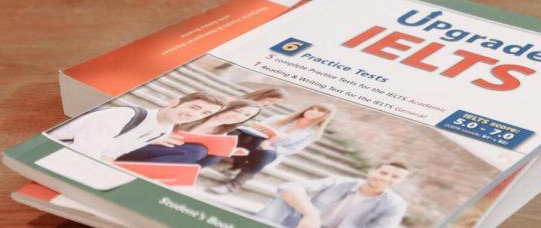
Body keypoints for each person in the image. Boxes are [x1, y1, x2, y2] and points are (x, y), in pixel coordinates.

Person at [49, 92, 226, 163]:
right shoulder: (124, 115)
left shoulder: (165, 130)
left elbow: (112, 154)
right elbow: (84, 151)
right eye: (194, 107)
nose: (194, 115)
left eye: (203, 114)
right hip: (54, 153)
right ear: (174, 102)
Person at [208, 103, 336, 194]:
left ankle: (232, 185)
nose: (313, 112)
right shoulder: (281, 118)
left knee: (265, 153)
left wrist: (273, 146)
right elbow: (255, 128)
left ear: (324, 116)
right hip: (253, 143)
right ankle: (234, 166)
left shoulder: (312, 133)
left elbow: (293, 150)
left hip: (270, 152)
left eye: (320, 111)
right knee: (242, 136)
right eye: (312, 108)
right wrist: (262, 135)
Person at [255, 162, 410, 228]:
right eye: (383, 172)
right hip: (303, 224)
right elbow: (289, 187)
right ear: (372, 171)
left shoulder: (395, 204)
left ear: (400, 182)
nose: (385, 178)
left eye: (395, 177)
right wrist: (311, 214)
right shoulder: (340, 182)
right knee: (285, 199)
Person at [115, 99, 262, 165]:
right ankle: (143, 172)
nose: (239, 116)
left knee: (211, 156)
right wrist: (154, 138)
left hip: (164, 154)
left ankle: (150, 171)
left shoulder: (222, 133)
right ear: (226, 108)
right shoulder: (195, 114)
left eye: (246, 116)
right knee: (198, 151)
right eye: (238, 111)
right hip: (142, 144)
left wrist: (229, 152)